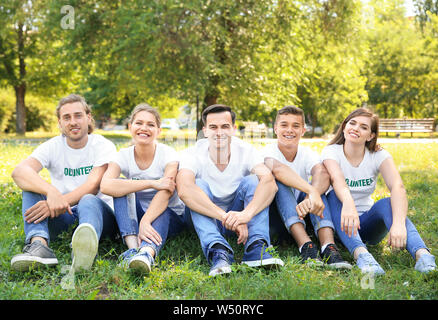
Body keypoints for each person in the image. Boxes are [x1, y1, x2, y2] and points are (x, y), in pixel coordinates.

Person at [11, 94, 118, 272]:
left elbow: (92, 186)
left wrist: (60, 199)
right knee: (30, 188)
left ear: (88, 118)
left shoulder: (102, 145)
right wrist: (51, 192)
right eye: (66, 117)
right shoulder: (53, 146)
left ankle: (85, 250)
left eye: (78, 115)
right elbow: (19, 172)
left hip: (98, 218)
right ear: (60, 123)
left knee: (87, 199)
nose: (73, 122)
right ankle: (39, 245)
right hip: (64, 215)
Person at [321, 108, 436, 274]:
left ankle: (423, 256)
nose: (355, 128)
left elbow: (398, 187)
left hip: (367, 224)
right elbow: (338, 180)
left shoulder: (378, 155)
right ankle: (363, 256)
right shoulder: (331, 151)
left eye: (363, 127)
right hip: (340, 221)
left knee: (386, 203)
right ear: (345, 126)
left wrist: (397, 224)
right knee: (333, 195)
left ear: (371, 136)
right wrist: (348, 202)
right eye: (352, 123)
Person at [176, 104, 284, 277]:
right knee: (198, 185)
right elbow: (184, 190)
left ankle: (256, 248)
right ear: (204, 131)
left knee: (253, 181)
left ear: (233, 129)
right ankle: (218, 250)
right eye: (213, 127)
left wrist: (245, 215)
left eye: (225, 126)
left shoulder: (246, 150)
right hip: (204, 217)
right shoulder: (192, 153)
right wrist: (226, 217)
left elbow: (269, 182)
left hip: (238, 216)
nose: (219, 132)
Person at [100, 104, 189, 274]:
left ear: (159, 130)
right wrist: (151, 183)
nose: (144, 128)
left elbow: (166, 190)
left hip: (170, 218)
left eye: (150, 124)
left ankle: (147, 253)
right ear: (130, 127)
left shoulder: (168, 154)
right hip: (138, 217)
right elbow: (106, 185)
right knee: (120, 187)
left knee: (163, 208)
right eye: (139, 123)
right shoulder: (122, 156)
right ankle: (133, 249)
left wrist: (146, 221)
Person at [263, 106, 352, 269]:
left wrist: (313, 195)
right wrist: (311, 193)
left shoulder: (307, 153)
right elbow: (278, 169)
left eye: (295, 126)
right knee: (281, 182)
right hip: (278, 220)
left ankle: (328, 247)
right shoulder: (268, 151)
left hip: (303, 214)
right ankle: (306, 246)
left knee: (319, 188)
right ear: (275, 128)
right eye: (284, 125)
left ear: (303, 130)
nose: (290, 130)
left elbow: (323, 173)